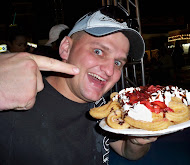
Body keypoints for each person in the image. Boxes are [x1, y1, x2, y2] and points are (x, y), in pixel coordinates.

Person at [0, 6, 157, 165]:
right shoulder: (17, 104)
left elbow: (125, 150)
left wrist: (136, 140)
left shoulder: (103, 105)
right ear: (66, 48)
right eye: (98, 51)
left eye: (117, 62)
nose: (109, 71)